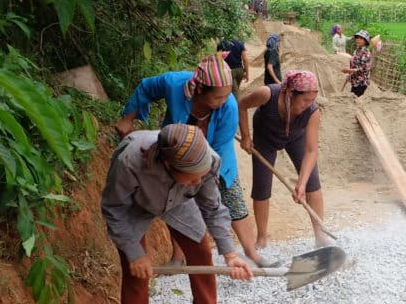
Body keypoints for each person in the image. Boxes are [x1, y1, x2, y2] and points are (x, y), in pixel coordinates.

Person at [101, 124, 254, 304]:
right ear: (169, 167)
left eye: (201, 176)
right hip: (133, 207)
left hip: (180, 202)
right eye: (193, 177)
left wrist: (230, 254)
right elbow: (113, 209)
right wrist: (135, 253)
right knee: (136, 272)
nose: (198, 181)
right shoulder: (130, 163)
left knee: (201, 252)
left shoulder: (208, 161)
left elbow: (212, 208)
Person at [114, 54, 278, 269]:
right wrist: (128, 118)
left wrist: (201, 177)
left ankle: (251, 254)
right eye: (218, 97)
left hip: (216, 159)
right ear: (200, 89)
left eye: (228, 95)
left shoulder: (228, 107)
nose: (224, 101)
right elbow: (146, 88)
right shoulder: (175, 84)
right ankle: (178, 257)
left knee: (232, 200)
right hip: (176, 157)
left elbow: (216, 151)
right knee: (176, 201)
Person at [237, 70, 330, 248]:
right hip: (265, 138)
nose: (309, 104)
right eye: (305, 100)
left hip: (296, 138)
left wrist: (301, 184)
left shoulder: (312, 112)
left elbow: (311, 151)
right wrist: (246, 136)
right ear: (291, 93)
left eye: (312, 100)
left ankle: (320, 235)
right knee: (262, 185)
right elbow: (242, 105)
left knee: (312, 182)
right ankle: (262, 237)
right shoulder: (267, 94)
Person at [342, 29, 372, 97]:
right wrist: (350, 74)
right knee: (353, 100)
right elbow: (354, 65)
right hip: (355, 80)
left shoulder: (366, 53)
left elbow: (365, 69)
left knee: (355, 100)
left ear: (365, 41)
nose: (358, 40)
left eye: (361, 38)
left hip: (361, 82)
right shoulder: (356, 50)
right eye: (357, 38)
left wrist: (350, 70)